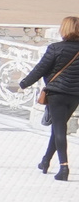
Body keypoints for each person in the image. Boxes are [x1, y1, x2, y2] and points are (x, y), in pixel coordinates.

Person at [17, 16, 77, 179]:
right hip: (75, 95)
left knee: (59, 129)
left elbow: (41, 69)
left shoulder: (56, 48)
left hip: (57, 93)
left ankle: (64, 167)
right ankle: (45, 161)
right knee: (58, 127)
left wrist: (24, 83)